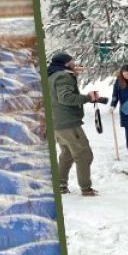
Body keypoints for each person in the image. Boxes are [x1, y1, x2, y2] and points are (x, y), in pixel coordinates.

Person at [48, 52, 104, 196]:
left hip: (56, 122)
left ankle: (60, 185)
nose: (74, 63)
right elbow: (65, 98)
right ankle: (86, 188)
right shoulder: (62, 76)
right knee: (84, 154)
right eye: (72, 61)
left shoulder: (52, 76)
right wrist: (87, 98)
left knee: (67, 154)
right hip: (67, 123)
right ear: (66, 63)